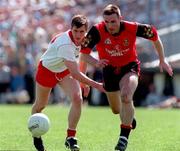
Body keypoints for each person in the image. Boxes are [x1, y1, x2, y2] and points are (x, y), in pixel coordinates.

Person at [79, 4, 173, 151]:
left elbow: (155, 35)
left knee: (126, 96)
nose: (110, 25)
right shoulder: (97, 30)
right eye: (107, 22)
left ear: (120, 19)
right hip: (109, 70)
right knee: (116, 110)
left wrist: (162, 59)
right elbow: (83, 53)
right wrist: (96, 62)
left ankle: (123, 138)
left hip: (130, 67)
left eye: (113, 21)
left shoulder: (133, 27)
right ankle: (128, 118)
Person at [31, 14, 105, 151]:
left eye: (82, 31)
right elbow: (76, 73)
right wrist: (97, 85)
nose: (78, 34)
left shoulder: (85, 39)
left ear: (86, 31)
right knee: (40, 106)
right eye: (75, 31)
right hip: (47, 70)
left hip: (64, 70)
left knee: (77, 99)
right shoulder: (65, 43)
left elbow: (82, 57)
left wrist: (85, 83)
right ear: (71, 28)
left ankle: (71, 137)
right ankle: (36, 135)